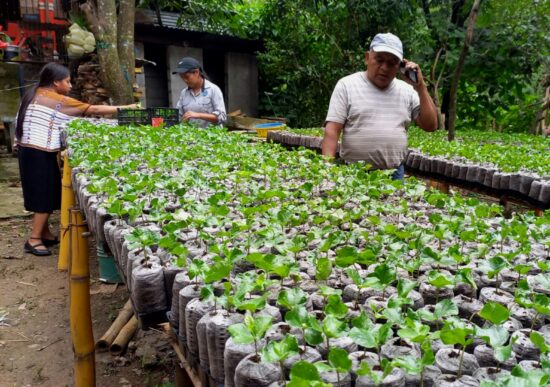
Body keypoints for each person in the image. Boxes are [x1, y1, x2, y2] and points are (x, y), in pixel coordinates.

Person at [15, 62, 137, 256]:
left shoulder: (35, 94)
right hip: (38, 152)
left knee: (45, 192)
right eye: (67, 81)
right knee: (43, 196)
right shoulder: (56, 99)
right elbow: (93, 110)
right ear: (56, 82)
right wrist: (128, 108)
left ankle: (44, 233)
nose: (70, 86)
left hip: (28, 150)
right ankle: (34, 239)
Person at [322, 32, 438, 180]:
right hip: (354, 174)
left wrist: (420, 86)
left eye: (392, 63)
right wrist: (327, 171)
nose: (384, 67)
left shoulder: (408, 91)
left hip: (394, 174)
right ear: (367, 58)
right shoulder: (347, 85)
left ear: (400, 65)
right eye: (379, 60)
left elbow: (431, 125)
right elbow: (332, 131)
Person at [173, 57, 227, 128]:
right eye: (182, 77)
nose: (185, 80)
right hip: (192, 137)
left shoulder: (213, 89)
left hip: (212, 137)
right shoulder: (184, 93)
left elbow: (222, 117)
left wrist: (198, 115)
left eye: (187, 77)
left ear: (196, 72)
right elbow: (178, 116)